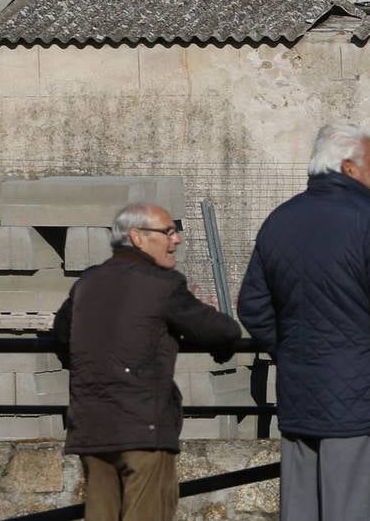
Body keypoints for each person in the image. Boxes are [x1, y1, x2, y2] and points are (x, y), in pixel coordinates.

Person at [238, 122, 370, 521]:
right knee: (349, 511)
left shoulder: (279, 221)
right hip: (362, 400)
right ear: (349, 168)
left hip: (300, 394)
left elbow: (252, 306)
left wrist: (290, 351)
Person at [52, 202, 241, 521]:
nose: (176, 239)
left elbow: (60, 337)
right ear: (137, 237)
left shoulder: (88, 283)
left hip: (92, 428)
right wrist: (220, 345)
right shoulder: (162, 285)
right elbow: (221, 330)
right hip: (143, 429)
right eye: (167, 231)